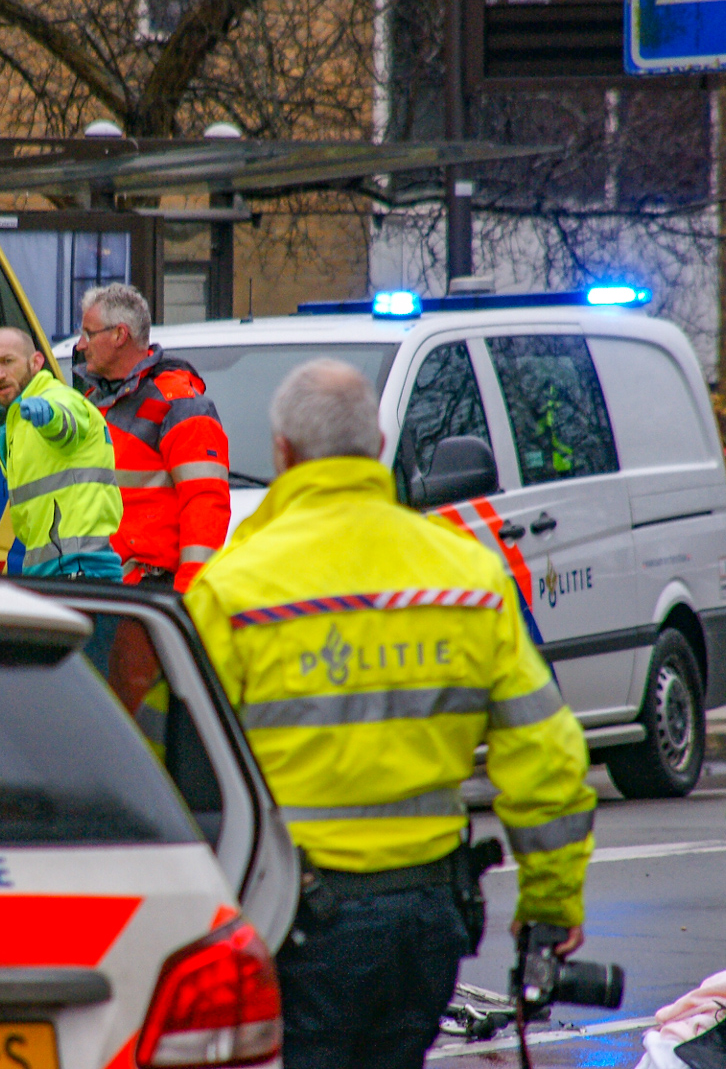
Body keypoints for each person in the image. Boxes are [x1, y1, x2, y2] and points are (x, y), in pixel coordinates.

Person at [182, 357, 596, 1067]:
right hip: (428, 918)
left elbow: (179, 768)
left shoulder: (232, 590)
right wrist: (551, 903)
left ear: (281, 452)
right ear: (377, 444)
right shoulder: (467, 576)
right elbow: (547, 753)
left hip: (294, 918)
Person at [71, 284, 231, 590]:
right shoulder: (93, 400)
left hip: (149, 590)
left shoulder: (178, 403)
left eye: (89, 334)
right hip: (104, 585)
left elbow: (205, 504)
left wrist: (187, 596)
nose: (80, 344)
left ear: (120, 335)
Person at [0, 326, 124, 579]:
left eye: (7, 361)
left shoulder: (58, 398)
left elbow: (66, 421)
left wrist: (50, 417)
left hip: (80, 570)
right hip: (53, 571)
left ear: (36, 362)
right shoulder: (17, 421)